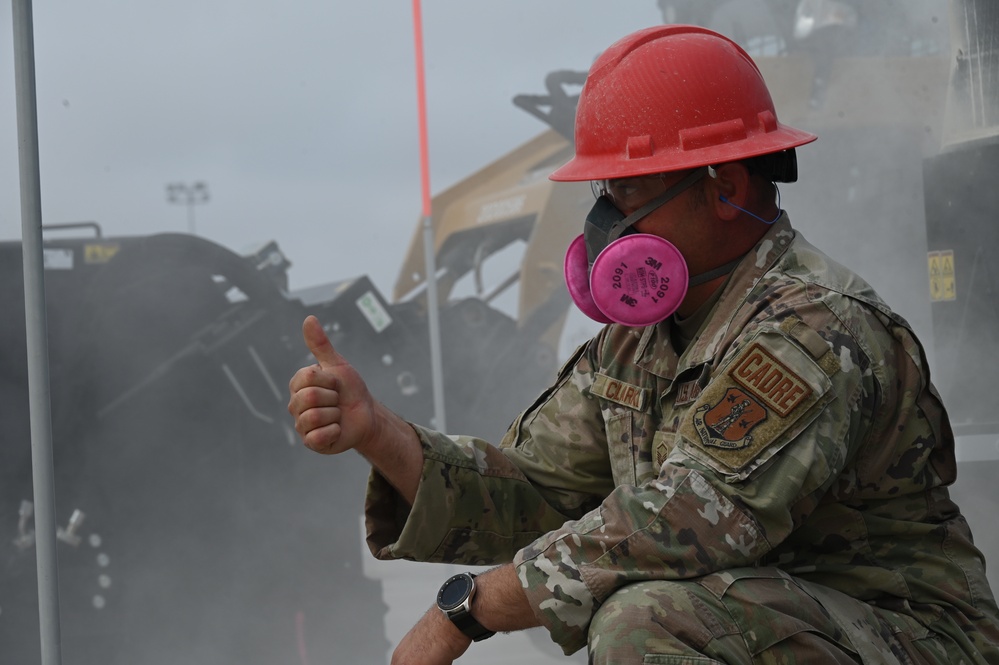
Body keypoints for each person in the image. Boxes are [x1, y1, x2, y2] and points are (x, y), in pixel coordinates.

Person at [287, 24, 999, 664]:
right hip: (771, 625)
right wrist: (379, 433)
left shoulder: (813, 327)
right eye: (604, 193)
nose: (606, 223)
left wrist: (467, 611)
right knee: (597, 589)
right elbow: (534, 493)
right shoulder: (638, 341)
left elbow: (687, 520)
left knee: (640, 616)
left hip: (905, 635)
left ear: (722, 187)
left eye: (628, 194)